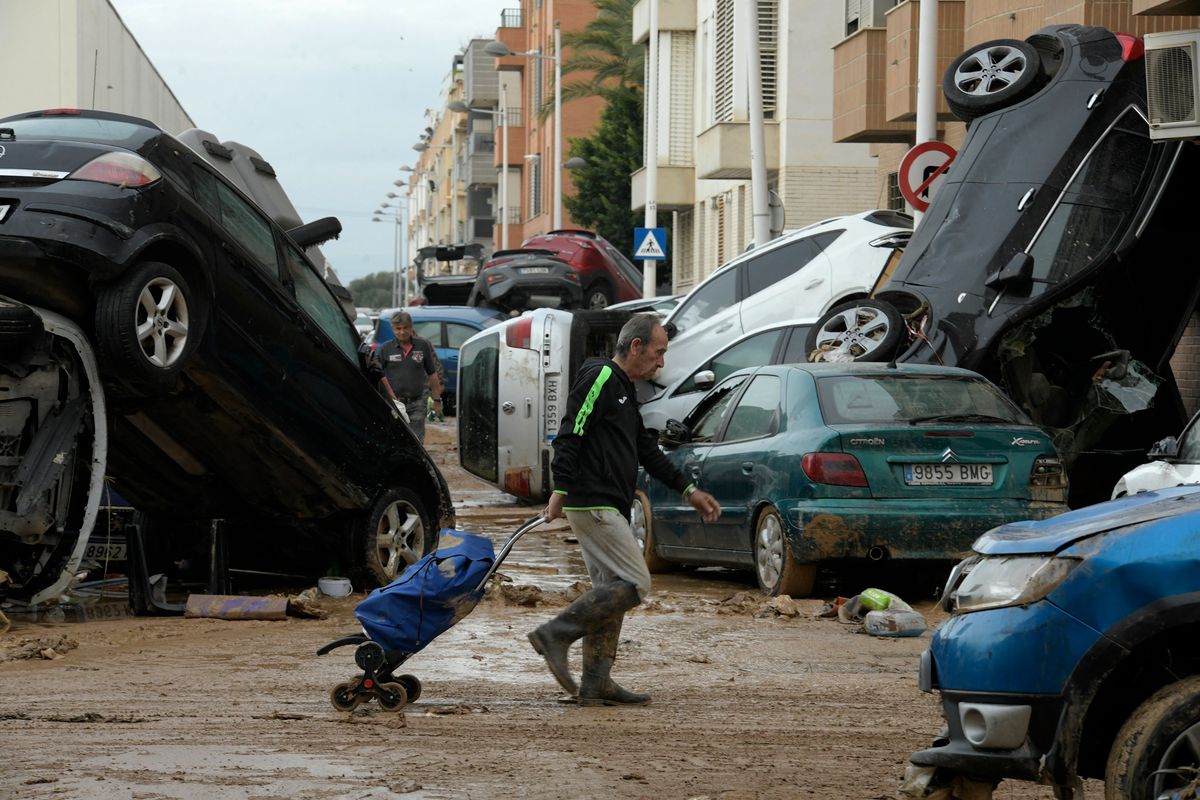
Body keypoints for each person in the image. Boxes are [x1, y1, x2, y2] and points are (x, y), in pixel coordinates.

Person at [529, 313, 721, 706]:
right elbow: (571, 431)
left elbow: (646, 450)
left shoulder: (624, 392)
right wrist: (559, 489)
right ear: (636, 346)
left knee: (610, 592)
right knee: (637, 584)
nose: (661, 362)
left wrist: (688, 490)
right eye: (658, 352)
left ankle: (595, 684)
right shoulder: (600, 377)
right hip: (593, 501)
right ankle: (556, 633)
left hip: (604, 502)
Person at [378, 311, 442, 444]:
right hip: (395, 403)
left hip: (417, 401)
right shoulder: (386, 349)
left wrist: (437, 400)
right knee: (395, 438)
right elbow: (378, 375)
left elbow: (432, 374)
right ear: (393, 329)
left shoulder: (422, 345)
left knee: (416, 439)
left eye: (405, 328)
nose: (402, 332)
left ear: (411, 327)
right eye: (398, 328)